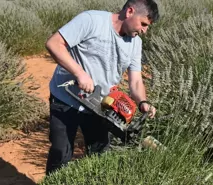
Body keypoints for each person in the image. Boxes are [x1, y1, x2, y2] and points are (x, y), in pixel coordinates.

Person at [45, 0, 159, 175]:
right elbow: (54, 43)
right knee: (61, 154)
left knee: (99, 157)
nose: (144, 30)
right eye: (143, 24)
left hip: (99, 106)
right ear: (129, 12)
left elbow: (135, 81)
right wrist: (79, 73)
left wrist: (143, 102)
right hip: (65, 98)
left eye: (147, 26)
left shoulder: (135, 43)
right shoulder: (91, 20)